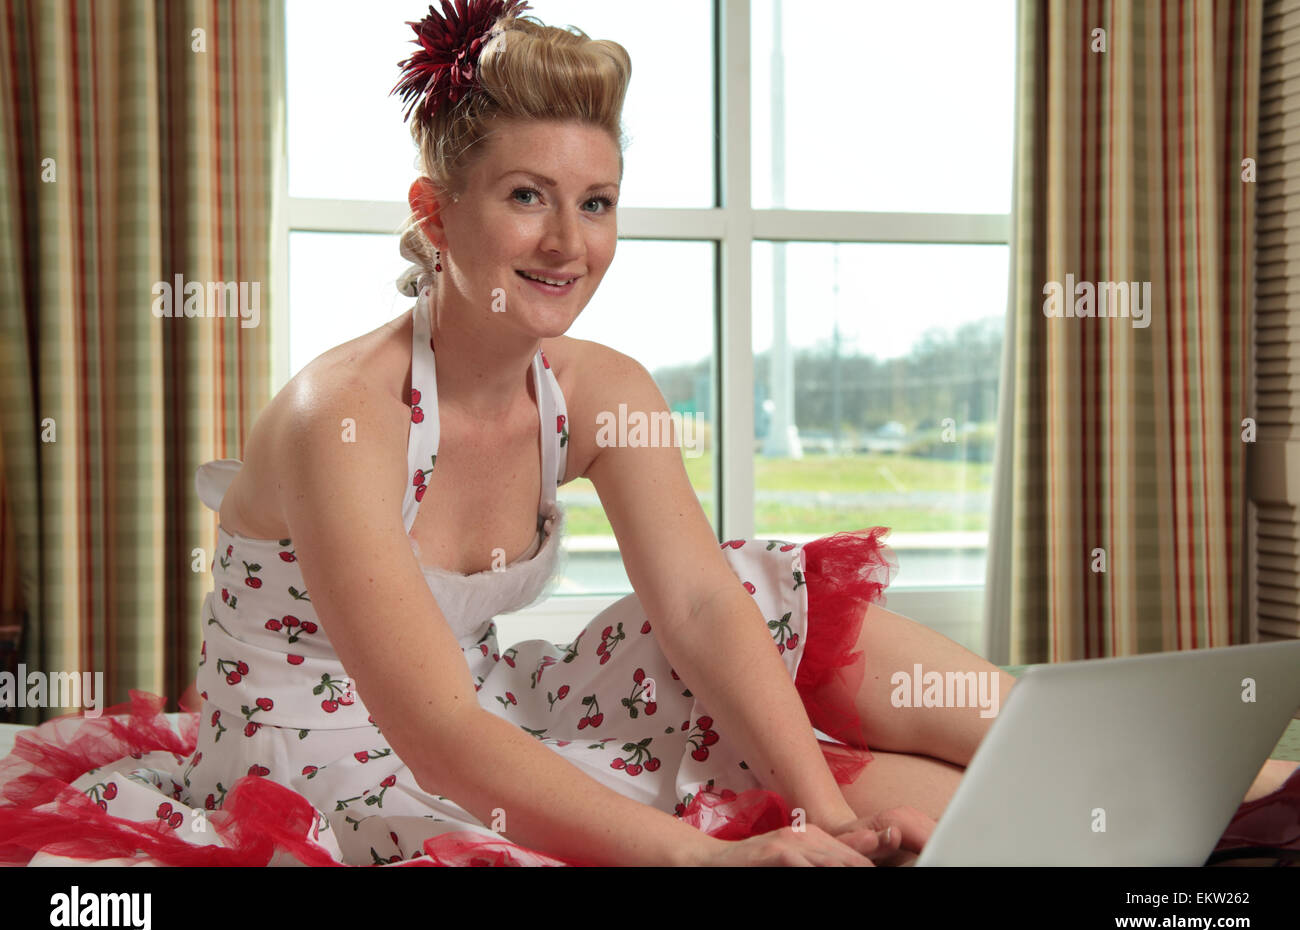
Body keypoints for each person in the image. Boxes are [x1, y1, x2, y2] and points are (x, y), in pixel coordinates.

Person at [1, 0, 1294, 868]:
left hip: (495, 702)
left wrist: (830, 817)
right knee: (878, 817)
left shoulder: (601, 384)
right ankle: (1138, 810)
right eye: (526, 197)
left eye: (598, 201)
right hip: (339, 756)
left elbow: (699, 611)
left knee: (757, 596)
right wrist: (720, 862)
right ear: (436, 214)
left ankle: (1185, 790)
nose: (570, 242)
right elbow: (442, 738)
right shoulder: (341, 417)